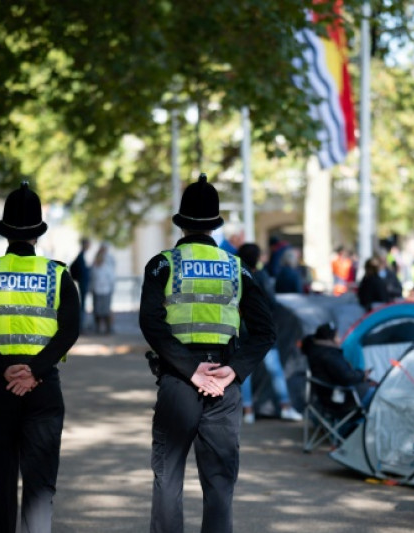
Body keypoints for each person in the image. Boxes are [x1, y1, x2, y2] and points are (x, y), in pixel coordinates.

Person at [139, 173, 275, 533]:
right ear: (216, 225)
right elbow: (265, 331)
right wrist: (234, 371)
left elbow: (151, 323)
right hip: (224, 383)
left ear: (181, 224)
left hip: (177, 380)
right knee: (219, 485)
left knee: (168, 478)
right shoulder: (237, 268)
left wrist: (189, 369)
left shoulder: (162, 265)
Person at [0, 182, 80, 533]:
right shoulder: (58, 275)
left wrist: (2, 369)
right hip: (43, 389)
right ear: (38, 233)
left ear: (5, 232)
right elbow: (68, 332)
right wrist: (36, 371)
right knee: (40, 484)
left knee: (2, 482)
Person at [237, 242, 303, 423]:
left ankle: (248, 410)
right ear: (257, 258)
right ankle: (285, 406)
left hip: (242, 328)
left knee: (245, 371)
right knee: (275, 369)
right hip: (262, 328)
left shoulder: (233, 274)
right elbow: (271, 302)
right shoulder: (262, 276)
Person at [301, 322, 377, 413]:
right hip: (338, 398)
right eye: (337, 336)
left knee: (372, 388)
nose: (339, 339)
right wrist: (362, 375)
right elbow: (346, 377)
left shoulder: (316, 350)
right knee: (377, 394)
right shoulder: (329, 355)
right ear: (330, 339)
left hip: (330, 395)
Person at [89, 244, 116, 334]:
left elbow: (111, 280)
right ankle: (98, 328)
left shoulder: (107, 267)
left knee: (106, 310)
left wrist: (112, 289)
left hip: (106, 291)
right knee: (97, 310)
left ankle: (108, 328)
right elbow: (92, 279)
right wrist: (91, 289)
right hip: (96, 291)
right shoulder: (94, 268)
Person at [70, 238, 91, 332]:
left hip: (82, 282)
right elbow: (79, 270)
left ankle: (81, 325)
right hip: (82, 283)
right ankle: (81, 326)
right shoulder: (81, 256)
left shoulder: (82, 256)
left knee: (83, 305)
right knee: (82, 305)